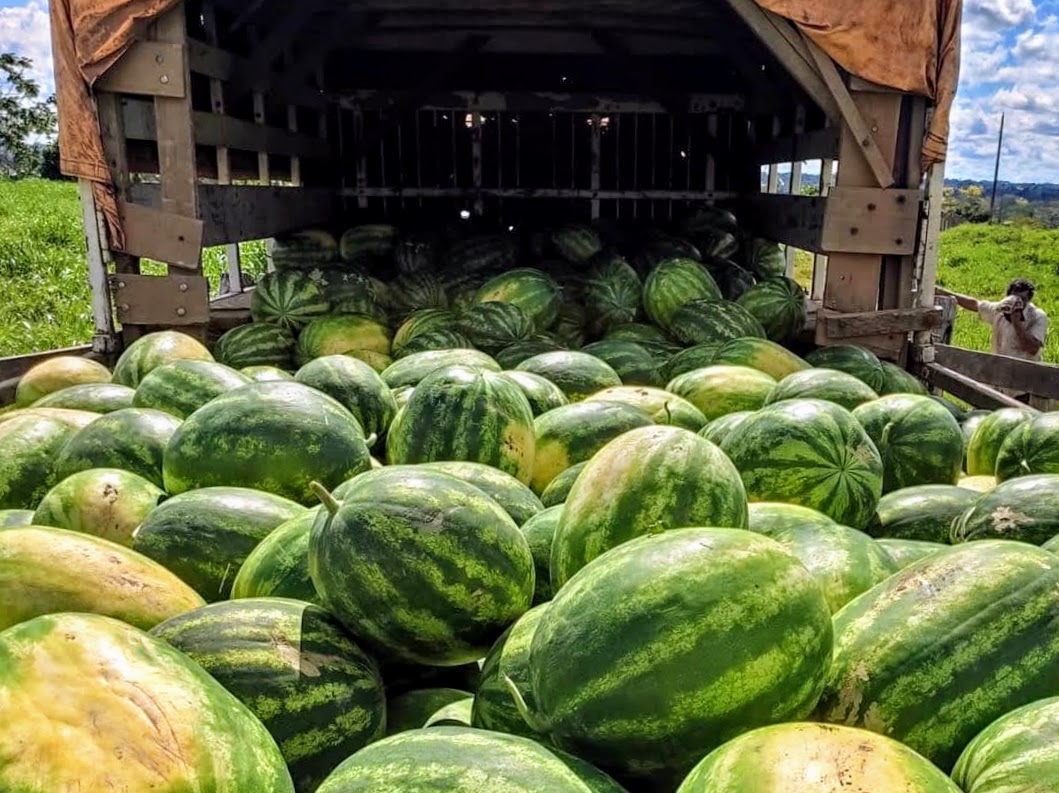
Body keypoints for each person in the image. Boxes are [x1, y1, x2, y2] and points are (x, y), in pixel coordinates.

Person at [936, 277, 1048, 362]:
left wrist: (1017, 323)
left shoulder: (1037, 317)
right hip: (998, 373)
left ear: (1028, 300)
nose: (1017, 303)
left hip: (1024, 379)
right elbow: (975, 305)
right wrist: (942, 292)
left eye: (1022, 299)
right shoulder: (999, 310)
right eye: (1014, 298)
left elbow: (1032, 349)